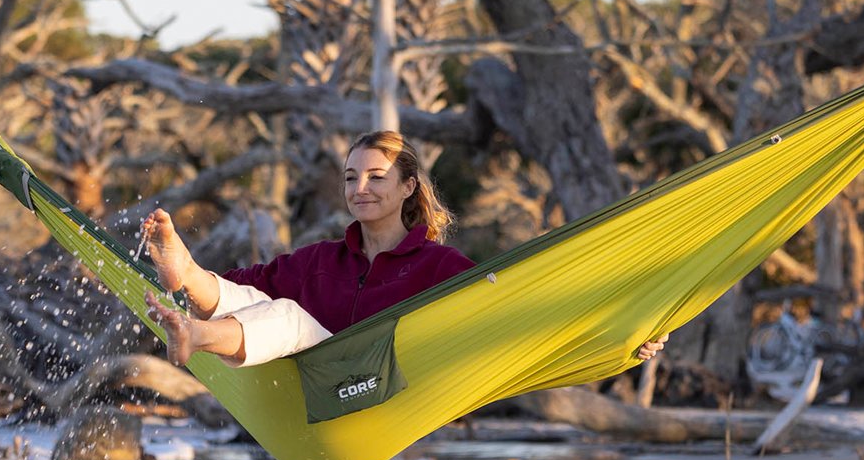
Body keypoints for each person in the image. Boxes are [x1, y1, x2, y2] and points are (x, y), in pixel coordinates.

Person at [143, 130, 669, 369]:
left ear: (409, 186)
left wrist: (626, 334)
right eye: (351, 178)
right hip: (312, 387)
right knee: (257, 297)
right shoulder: (322, 260)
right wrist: (199, 281)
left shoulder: (441, 267)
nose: (360, 189)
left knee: (283, 315)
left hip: (382, 392)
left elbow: (521, 314)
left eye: (376, 176)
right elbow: (244, 286)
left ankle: (194, 332)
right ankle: (183, 272)